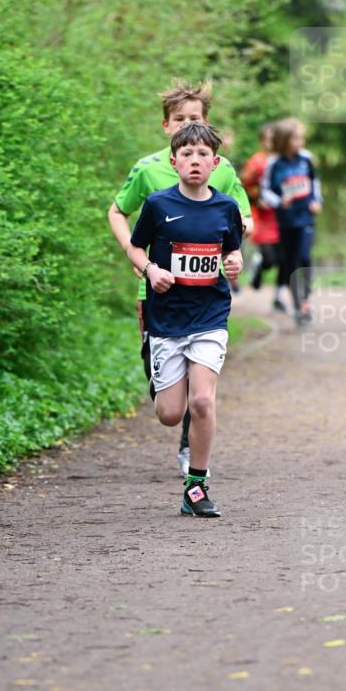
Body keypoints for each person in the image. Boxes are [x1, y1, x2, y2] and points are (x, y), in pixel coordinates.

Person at [107, 82, 251, 477]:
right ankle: (174, 386)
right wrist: (143, 263)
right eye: (180, 120)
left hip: (205, 301)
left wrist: (235, 252)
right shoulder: (148, 172)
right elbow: (119, 214)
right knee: (168, 403)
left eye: (195, 119)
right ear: (167, 126)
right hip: (157, 292)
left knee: (200, 396)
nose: (187, 125)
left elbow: (239, 220)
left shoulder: (220, 169)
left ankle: (192, 451)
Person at [127, 122, 243, 517]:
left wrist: (234, 262)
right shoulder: (158, 205)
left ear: (215, 163)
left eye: (203, 154)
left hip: (210, 316)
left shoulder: (226, 208)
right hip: (166, 321)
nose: (195, 160)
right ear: (174, 162)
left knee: (203, 401)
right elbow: (135, 247)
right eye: (187, 154)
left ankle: (196, 486)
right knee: (170, 414)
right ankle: (161, 373)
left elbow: (232, 252)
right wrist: (150, 270)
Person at [261, 118, 321, 326]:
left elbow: (315, 182)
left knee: (305, 256)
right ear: (283, 140)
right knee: (291, 261)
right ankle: (297, 304)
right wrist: (279, 201)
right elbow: (265, 190)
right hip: (286, 221)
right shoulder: (273, 164)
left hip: (306, 217)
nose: (299, 142)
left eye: (301, 138)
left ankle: (306, 300)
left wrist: (316, 201)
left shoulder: (306, 159)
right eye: (295, 139)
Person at [240, 121, 287, 311]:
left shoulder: (287, 160)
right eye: (268, 139)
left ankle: (278, 297)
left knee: (285, 259)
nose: (272, 143)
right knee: (269, 258)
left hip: (285, 217)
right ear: (262, 141)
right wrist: (257, 199)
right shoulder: (257, 162)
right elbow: (243, 185)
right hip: (264, 217)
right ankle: (259, 265)